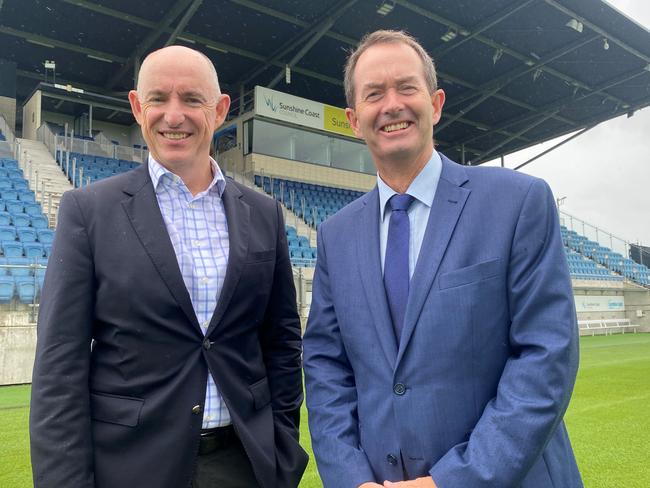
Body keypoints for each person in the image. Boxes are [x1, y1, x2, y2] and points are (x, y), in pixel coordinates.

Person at [303, 30, 582, 488]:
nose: (391, 105)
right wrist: (351, 478)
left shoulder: (518, 201)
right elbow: (326, 365)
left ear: (435, 103)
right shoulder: (336, 235)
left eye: (406, 88)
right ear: (354, 119)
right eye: (374, 94)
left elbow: (545, 356)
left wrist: (450, 481)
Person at [30, 45, 307, 488]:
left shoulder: (264, 213)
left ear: (219, 111)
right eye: (158, 98)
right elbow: (59, 367)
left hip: (244, 465)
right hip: (132, 468)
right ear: (138, 107)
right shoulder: (88, 210)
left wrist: (282, 449)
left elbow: (281, 343)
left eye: (191, 100)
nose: (173, 115)